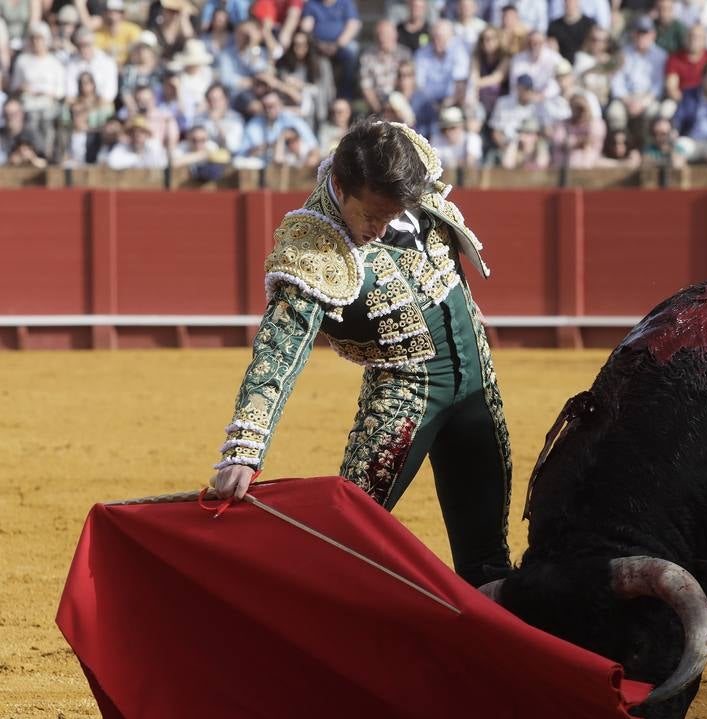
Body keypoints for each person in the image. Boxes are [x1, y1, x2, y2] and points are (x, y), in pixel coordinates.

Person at [213, 119, 513, 588]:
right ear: (339, 185)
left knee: (489, 561)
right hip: (404, 398)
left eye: (393, 214)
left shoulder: (401, 159)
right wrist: (245, 450)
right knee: (344, 542)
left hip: (478, 382)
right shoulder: (312, 248)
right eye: (372, 216)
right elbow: (279, 350)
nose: (381, 227)